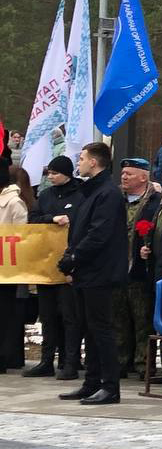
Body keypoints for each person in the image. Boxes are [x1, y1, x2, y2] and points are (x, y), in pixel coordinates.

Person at [55, 143, 128, 405]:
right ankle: (92, 382)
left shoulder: (108, 193)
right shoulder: (91, 191)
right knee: (89, 328)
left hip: (100, 271)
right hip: (87, 271)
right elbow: (80, 230)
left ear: (94, 162)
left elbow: (99, 234)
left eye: (82, 158)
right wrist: (71, 256)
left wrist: (75, 257)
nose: (79, 162)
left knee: (101, 328)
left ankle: (110, 386)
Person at [23, 156, 80, 377]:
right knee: (47, 316)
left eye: (55, 173)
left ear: (66, 173)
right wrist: (51, 218)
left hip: (68, 264)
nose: (51, 176)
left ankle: (70, 361)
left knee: (69, 316)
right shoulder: (46, 195)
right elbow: (33, 219)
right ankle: (46, 360)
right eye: (49, 173)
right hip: (46, 264)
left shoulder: (79, 194)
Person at [111, 157, 162, 378]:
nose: (124, 177)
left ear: (143, 177)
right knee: (118, 320)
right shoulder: (115, 200)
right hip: (116, 269)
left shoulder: (156, 202)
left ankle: (144, 365)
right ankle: (120, 362)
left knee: (143, 320)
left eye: (129, 174)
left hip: (141, 271)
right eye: (123, 173)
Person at [0, 162, 32, 371]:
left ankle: (3, 357)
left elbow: (21, 235)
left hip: (7, 267)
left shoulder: (14, 202)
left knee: (4, 312)